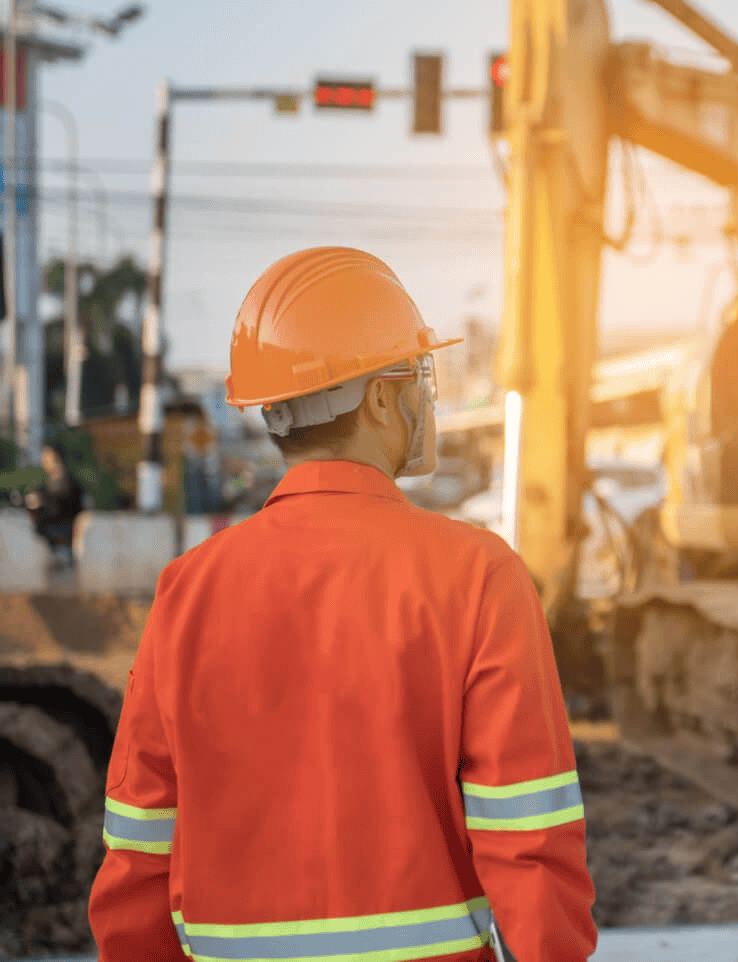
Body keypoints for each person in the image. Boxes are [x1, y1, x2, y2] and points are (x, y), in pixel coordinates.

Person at [88, 247, 597, 962]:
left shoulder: (187, 591)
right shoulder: (478, 576)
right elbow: (529, 843)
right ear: (383, 397)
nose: (426, 398)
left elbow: (138, 853)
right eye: (418, 375)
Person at [25, 443, 85, 563]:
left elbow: (60, 504)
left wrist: (40, 499)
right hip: (57, 535)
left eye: (47, 457)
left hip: (63, 534)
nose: (44, 460)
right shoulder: (52, 479)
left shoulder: (63, 477)